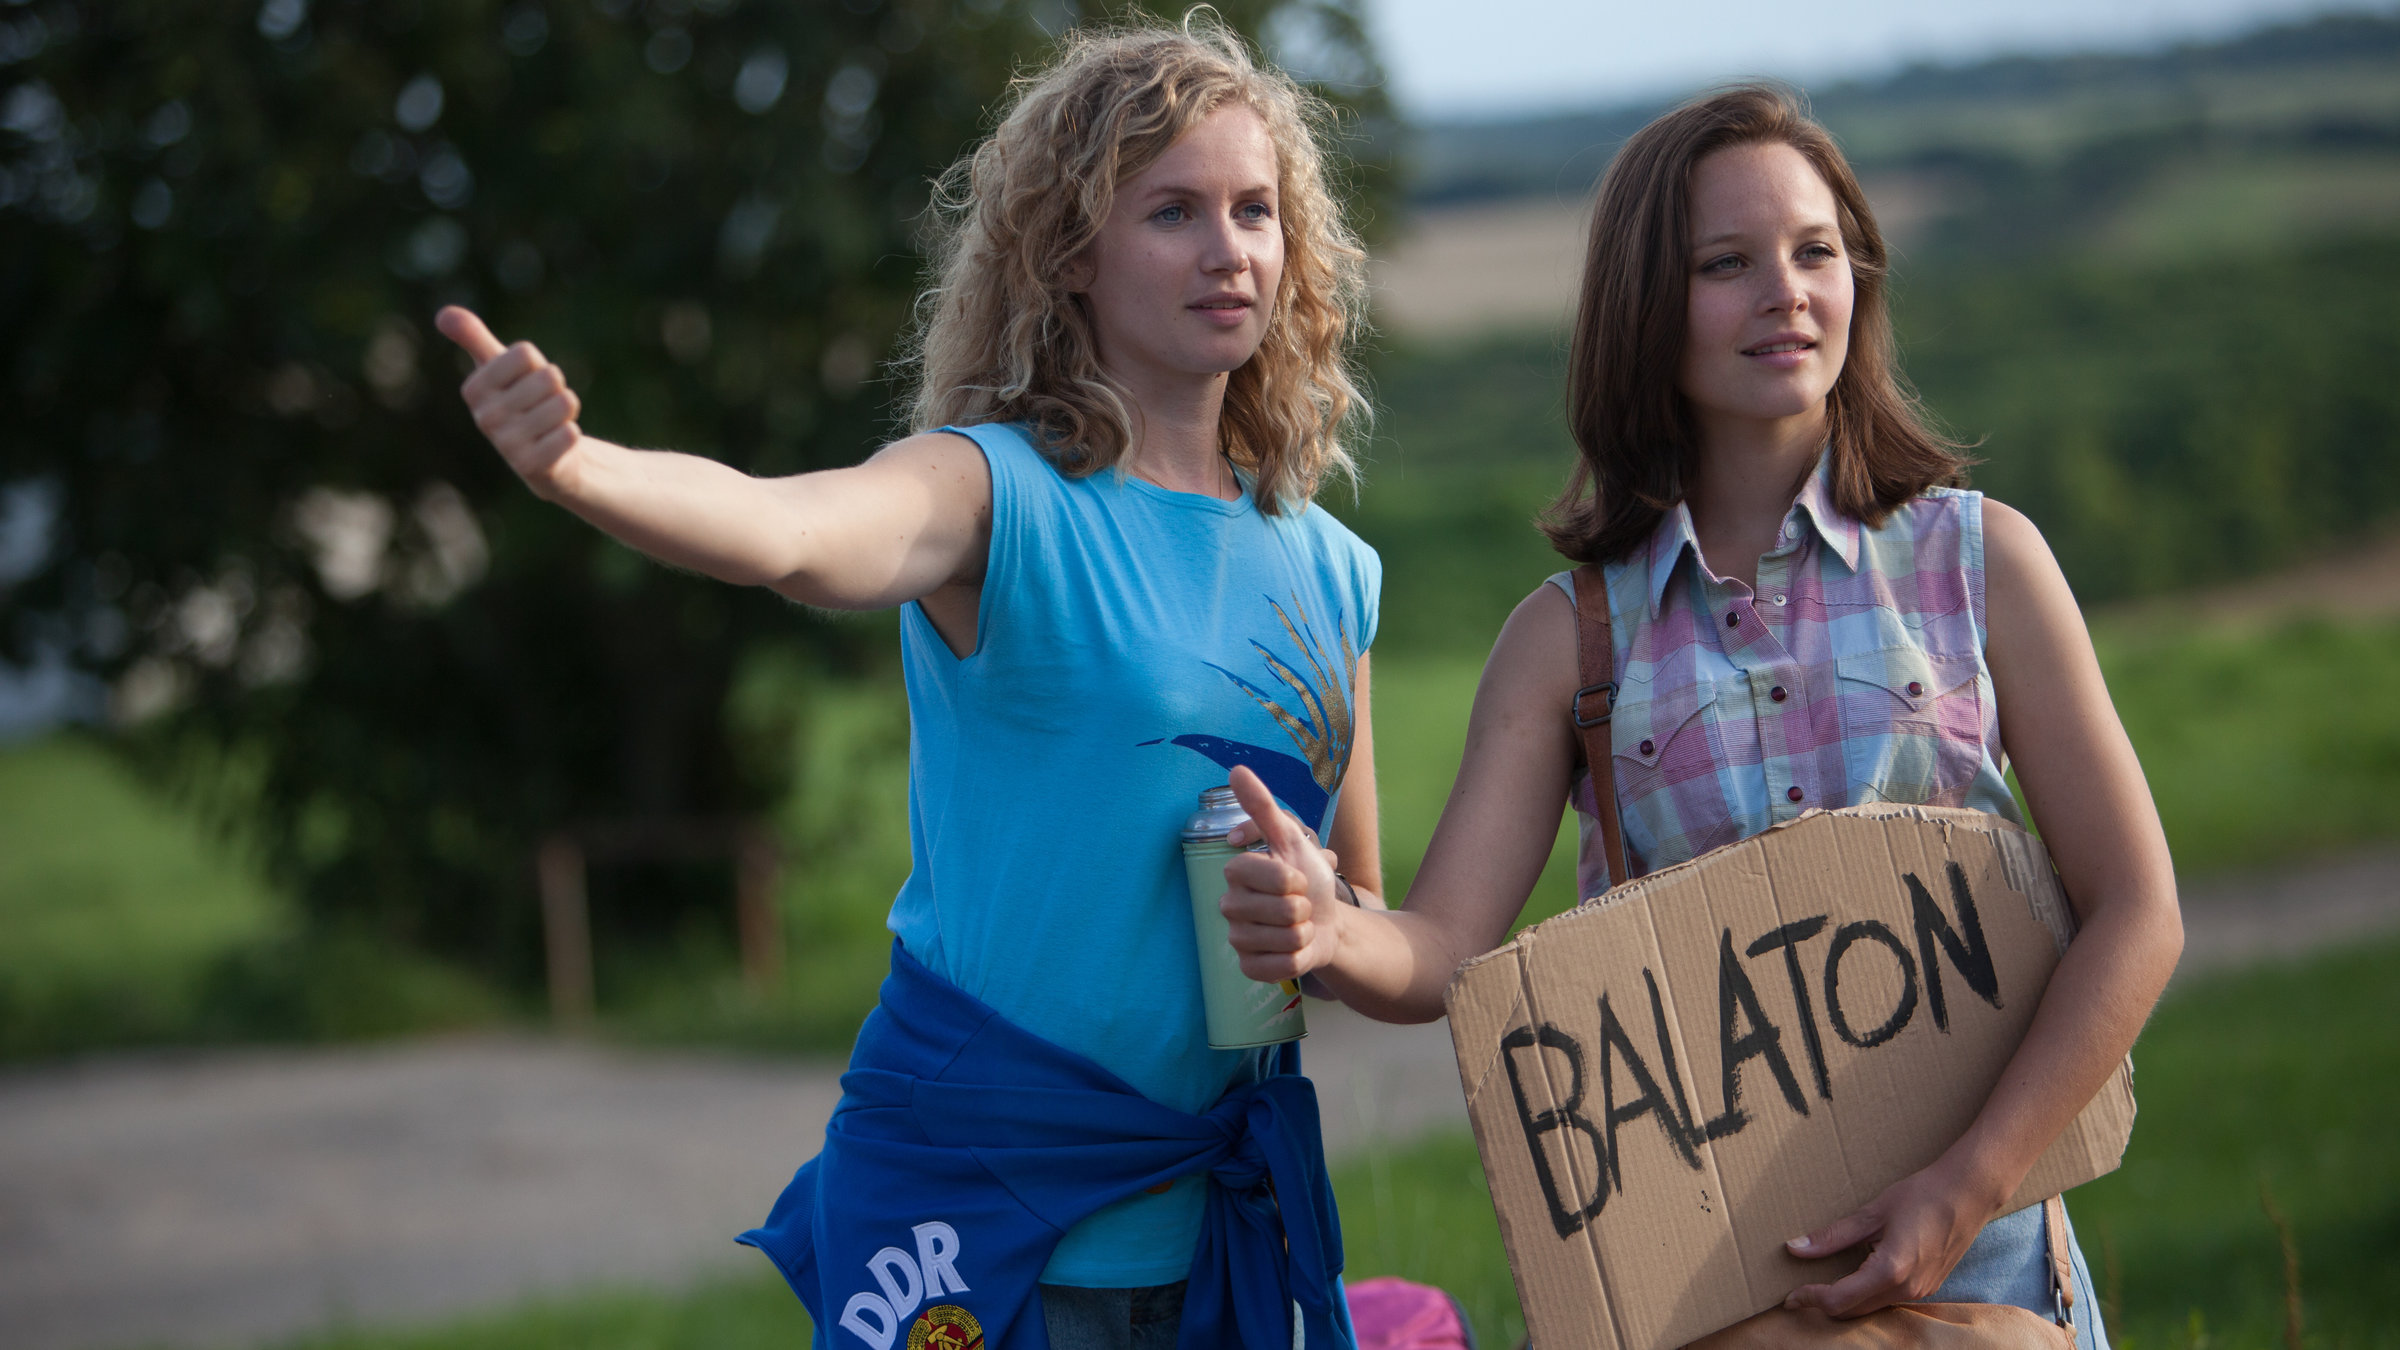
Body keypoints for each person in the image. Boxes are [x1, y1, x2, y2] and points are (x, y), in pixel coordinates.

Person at [437, 19, 1382, 1350]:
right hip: (987, 1219)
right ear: (1072, 253)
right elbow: (791, 531)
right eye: (1172, 211)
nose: (1228, 248)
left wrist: (1321, 923)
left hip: (1219, 1231)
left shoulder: (1334, 571)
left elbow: (1359, 930)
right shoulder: (998, 490)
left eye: (1254, 210)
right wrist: (580, 471)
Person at [1220, 84, 2183, 1348]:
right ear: (1645, 307)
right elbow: (1445, 949)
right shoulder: (1567, 640)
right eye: (1726, 264)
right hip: (1710, 1307)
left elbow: (2137, 909)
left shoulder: (1983, 561)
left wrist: (1968, 1186)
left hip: (1993, 1270)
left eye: (1816, 251)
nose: (1785, 292)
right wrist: (1332, 925)